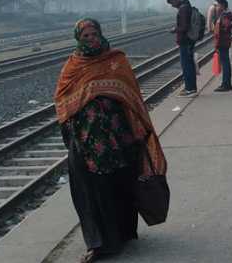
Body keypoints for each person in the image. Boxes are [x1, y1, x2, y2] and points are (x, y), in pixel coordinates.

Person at [54, 19, 167, 263]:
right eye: (85, 36)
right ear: (78, 39)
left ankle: (124, 234)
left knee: (121, 186)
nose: (91, 38)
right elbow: (62, 101)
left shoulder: (117, 61)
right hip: (86, 145)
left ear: (101, 34)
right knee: (91, 192)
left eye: (94, 33)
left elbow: (132, 96)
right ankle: (99, 244)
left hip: (119, 140)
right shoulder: (72, 66)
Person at [167, 0, 197, 96]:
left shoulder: (183, 9)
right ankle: (192, 88)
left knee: (186, 65)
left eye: (172, 3)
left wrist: (175, 29)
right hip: (188, 40)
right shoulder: (186, 6)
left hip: (185, 41)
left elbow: (184, 27)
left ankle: (189, 89)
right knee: (189, 64)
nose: (172, 5)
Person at [214, 0, 232, 92]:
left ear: (222, 6)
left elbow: (225, 27)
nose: (217, 7)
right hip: (223, 41)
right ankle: (226, 83)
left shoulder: (225, 15)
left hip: (223, 42)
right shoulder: (224, 15)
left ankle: (226, 84)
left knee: (225, 63)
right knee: (225, 62)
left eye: (218, 5)